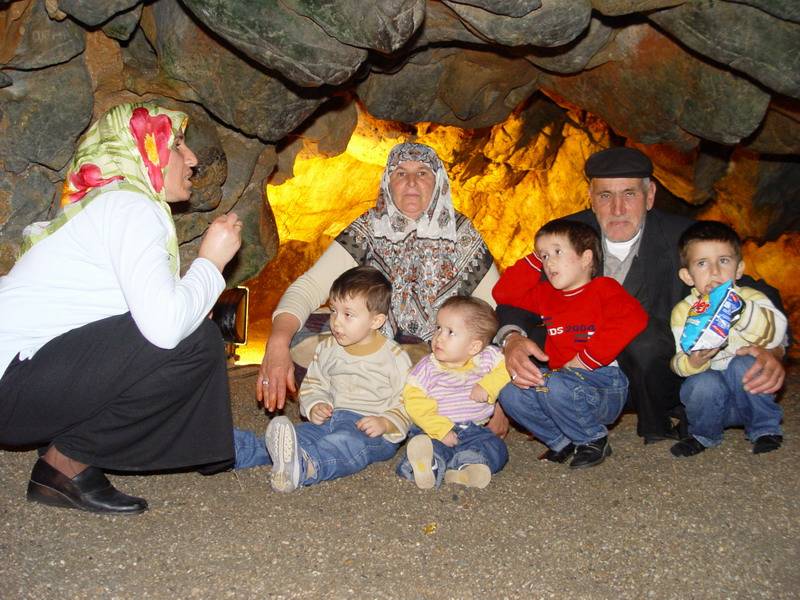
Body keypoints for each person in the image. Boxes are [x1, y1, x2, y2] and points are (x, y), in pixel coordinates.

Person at [0, 102, 243, 514]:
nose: (192, 159)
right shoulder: (130, 206)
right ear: (142, 148)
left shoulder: (110, 204)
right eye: (177, 144)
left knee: (186, 328)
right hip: (13, 387)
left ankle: (68, 444)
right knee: (196, 341)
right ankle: (65, 465)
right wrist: (210, 263)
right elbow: (164, 328)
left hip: (19, 383)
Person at [496, 147, 786, 444]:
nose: (617, 208)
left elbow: (754, 287)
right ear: (591, 198)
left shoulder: (685, 237)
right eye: (605, 195)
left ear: (650, 196)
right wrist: (512, 338)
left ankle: (657, 420)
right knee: (536, 337)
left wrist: (774, 348)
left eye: (629, 194)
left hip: (658, 375)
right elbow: (515, 296)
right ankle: (563, 420)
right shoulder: (564, 237)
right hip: (575, 370)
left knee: (643, 334)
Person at [257, 143, 500, 420]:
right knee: (300, 337)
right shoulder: (370, 227)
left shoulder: (461, 233)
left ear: (439, 183)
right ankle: (386, 407)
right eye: (400, 173)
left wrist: (497, 389)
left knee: (450, 365)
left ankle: (372, 404)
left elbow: (496, 309)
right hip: (374, 344)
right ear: (387, 182)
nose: (411, 181)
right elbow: (310, 286)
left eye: (422, 173)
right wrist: (277, 342)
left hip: (436, 355)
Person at [495, 219, 648, 468]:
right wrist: (533, 260)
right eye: (544, 255)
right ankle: (561, 441)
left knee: (554, 383)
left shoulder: (604, 289)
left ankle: (592, 439)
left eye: (557, 252)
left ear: (586, 258)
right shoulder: (546, 295)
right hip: (558, 383)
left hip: (604, 382)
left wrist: (586, 360)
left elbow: (633, 318)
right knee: (510, 392)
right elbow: (504, 294)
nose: (549, 262)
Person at [249, 266, 413, 492]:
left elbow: (407, 400)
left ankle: (307, 466)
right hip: (331, 418)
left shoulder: (395, 358)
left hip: (371, 430)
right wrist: (316, 404)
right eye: (333, 311)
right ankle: (238, 449)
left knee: (343, 444)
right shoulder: (328, 347)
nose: (336, 322)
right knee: (298, 435)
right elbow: (315, 383)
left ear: (376, 321)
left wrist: (386, 422)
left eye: (348, 315)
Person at [668, 221, 787, 457]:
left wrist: (738, 310)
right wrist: (692, 362)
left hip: (750, 391)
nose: (714, 271)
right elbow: (677, 361)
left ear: (739, 269)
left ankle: (764, 429)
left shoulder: (752, 298)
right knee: (701, 383)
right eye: (702, 263)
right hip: (713, 403)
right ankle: (703, 434)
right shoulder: (684, 311)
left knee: (744, 363)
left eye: (723, 261)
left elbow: (776, 333)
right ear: (688, 276)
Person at [396, 296, 509, 490]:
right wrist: (440, 429)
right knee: (430, 445)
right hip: (435, 428)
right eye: (438, 328)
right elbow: (414, 401)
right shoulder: (428, 367)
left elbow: (508, 367)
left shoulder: (487, 357)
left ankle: (467, 469)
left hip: (475, 430)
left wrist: (488, 386)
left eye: (450, 332)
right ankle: (428, 464)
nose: (438, 337)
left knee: (494, 446)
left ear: (474, 346)